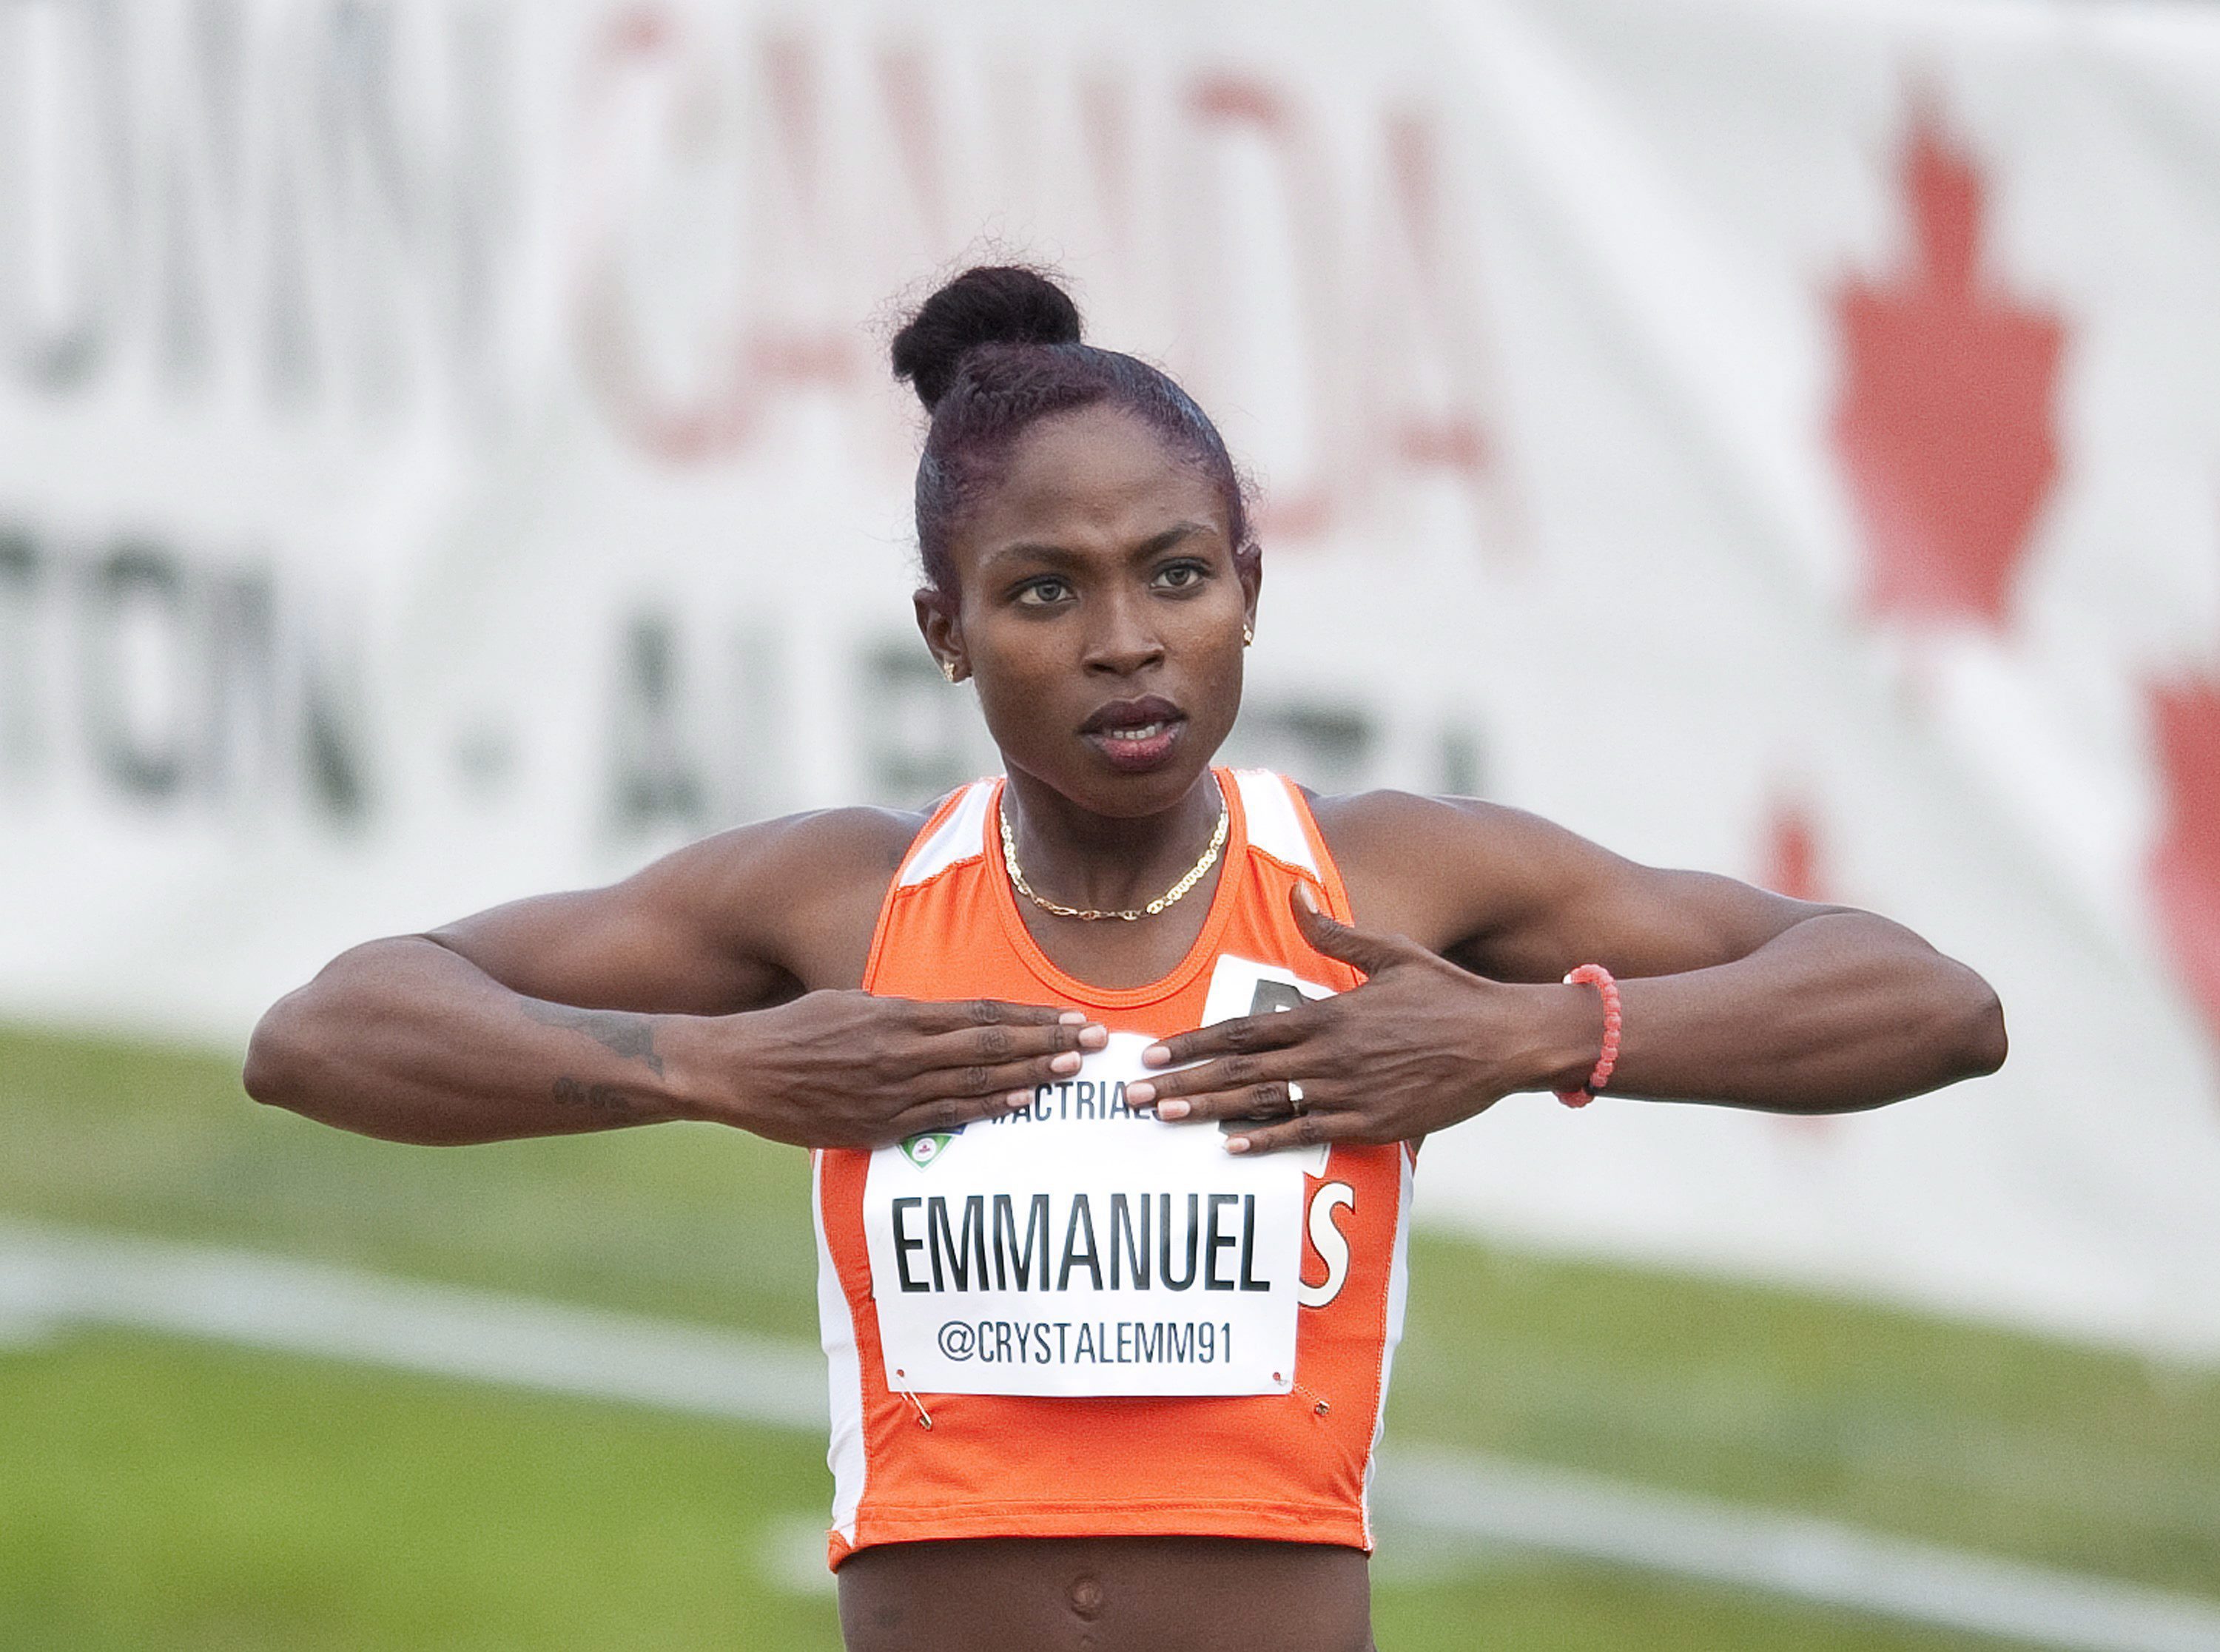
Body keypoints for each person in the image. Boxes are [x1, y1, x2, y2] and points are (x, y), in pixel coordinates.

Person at [244, 265, 2007, 1652]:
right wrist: (718, 1069)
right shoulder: (842, 905)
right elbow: (325, 1029)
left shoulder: (1388, 879)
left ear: (1250, 584)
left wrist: (1534, 1038)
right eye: (1042, 593)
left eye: (1175, 575)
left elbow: (1932, 1004)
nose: (1123, 644)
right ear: (943, 631)